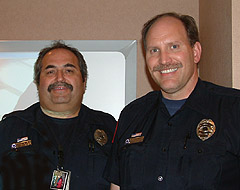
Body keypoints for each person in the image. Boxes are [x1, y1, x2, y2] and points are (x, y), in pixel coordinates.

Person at [105, 12, 240, 190]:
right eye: (154, 50)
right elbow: (117, 185)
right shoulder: (132, 115)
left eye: (174, 46)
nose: (164, 59)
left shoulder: (233, 108)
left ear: (195, 52)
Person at [0, 41, 116, 189]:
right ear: (37, 82)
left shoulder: (109, 128)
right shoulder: (9, 129)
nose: (60, 78)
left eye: (69, 70)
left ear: (84, 81)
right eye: (50, 71)